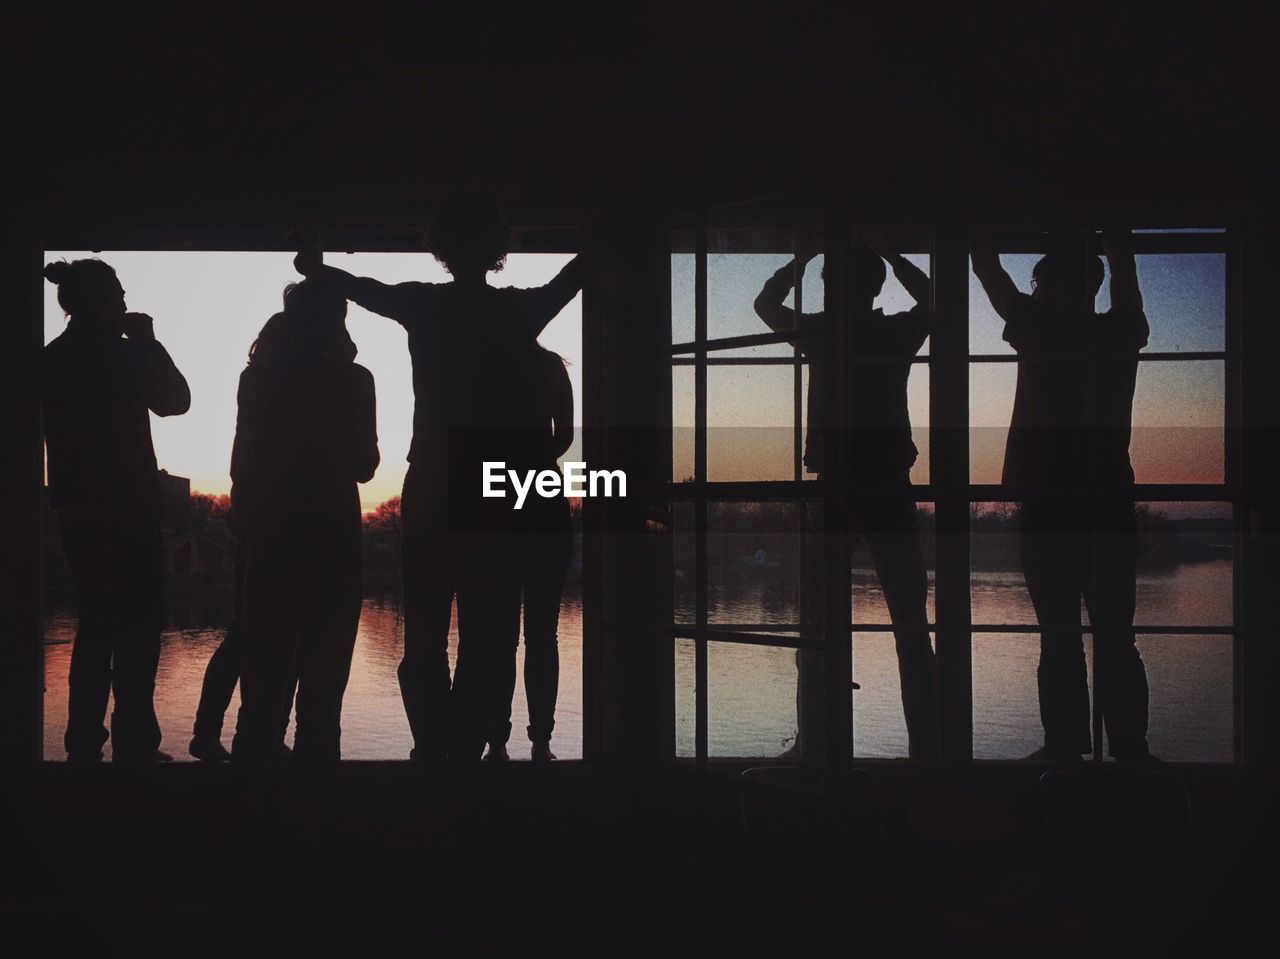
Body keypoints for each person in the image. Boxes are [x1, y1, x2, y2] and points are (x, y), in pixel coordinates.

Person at [293, 190, 584, 761]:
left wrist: (316, 263)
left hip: (431, 481)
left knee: (424, 631)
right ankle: (460, 753)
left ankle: (436, 749)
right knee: (489, 634)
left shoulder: (422, 305)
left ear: (440, 250)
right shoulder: (519, 312)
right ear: (499, 249)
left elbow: (357, 288)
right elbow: (575, 276)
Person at [753, 230, 938, 759]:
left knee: (817, 623)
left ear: (830, 285)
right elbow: (932, 299)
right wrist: (890, 250)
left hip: (832, 487)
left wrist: (802, 256)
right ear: (875, 287)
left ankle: (816, 744)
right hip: (888, 486)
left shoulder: (819, 332)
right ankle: (929, 746)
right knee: (910, 623)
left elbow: (765, 304)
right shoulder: (896, 333)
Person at [970, 227, 1151, 762]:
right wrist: (1113, 245)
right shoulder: (1122, 330)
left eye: (1038, 284)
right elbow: (1126, 278)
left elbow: (987, 266)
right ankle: (1130, 751)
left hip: (1048, 503)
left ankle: (1066, 747)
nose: (1034, 293)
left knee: (1059, 635)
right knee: (1117, 636)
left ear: (1051, 287)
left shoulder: (1039, 329)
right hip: (1109, 501)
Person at [41, 258, 191, 763]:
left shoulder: (50, 359)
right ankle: (135, 741)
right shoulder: (125, 356)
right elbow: (176, 401)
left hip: (76, 508)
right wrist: (147, 341)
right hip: (130, 506)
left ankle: (83, 742)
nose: (127, 304)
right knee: (141, 626)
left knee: (96, 623)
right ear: (104, 302)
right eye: (120, 296)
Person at [229, 281, 379, 768]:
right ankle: (318, 799)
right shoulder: (355, 380)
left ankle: (252, 799)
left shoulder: (257, 380)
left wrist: (243, 524)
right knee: (323, 688)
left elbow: (241, 464)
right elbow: (364, 466)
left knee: (264, 679)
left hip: (271, 535)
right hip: (334, 536)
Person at [189, 312, 298, 762]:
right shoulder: (283, 384)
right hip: (273, 522)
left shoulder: (254, 381)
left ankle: (229, 733)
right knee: (269, 638)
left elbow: (245, 457)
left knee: (246, 636)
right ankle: (258, 735)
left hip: (251, 518)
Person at [484, 345, 575, 763]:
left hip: (501, 502)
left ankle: (495, 742)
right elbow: (566, 435)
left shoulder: (491, 365)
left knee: (501, 636)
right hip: (545, 500)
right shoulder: (551, 366)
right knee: (543, 634)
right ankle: (541, 741)